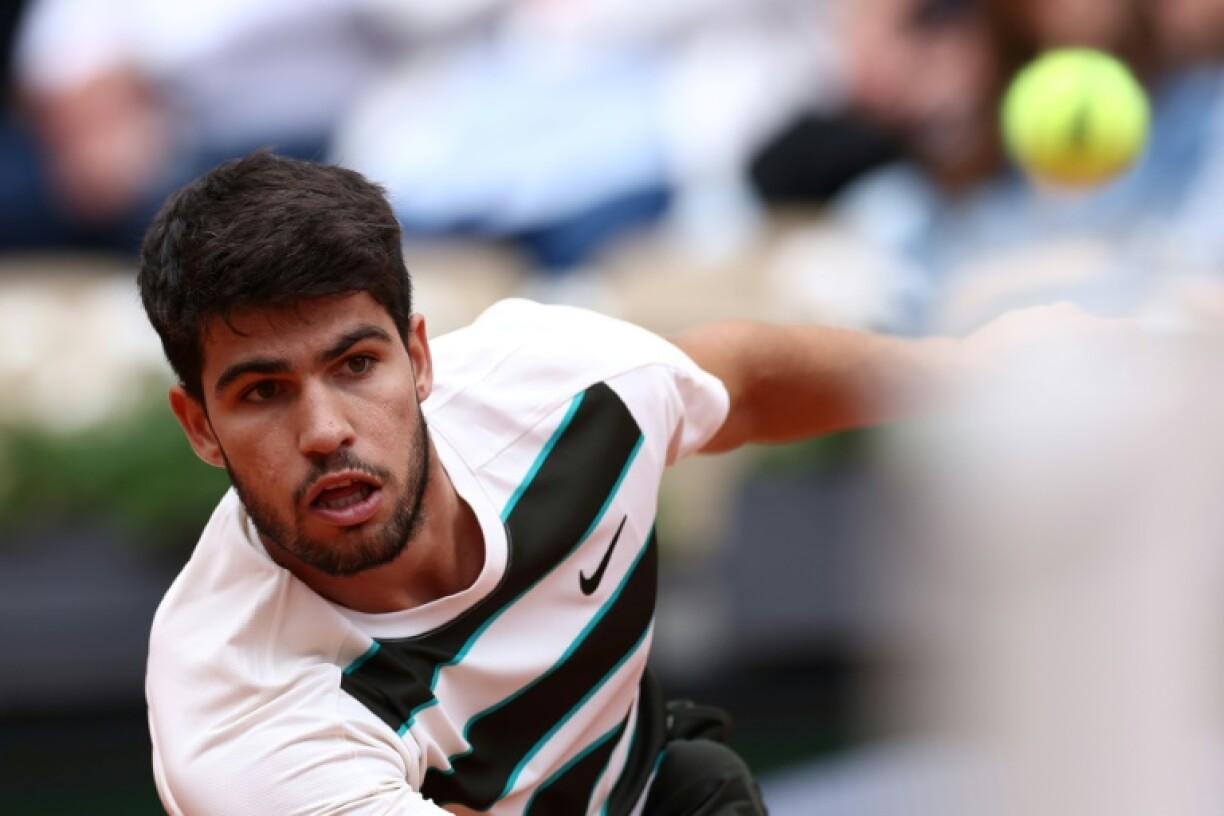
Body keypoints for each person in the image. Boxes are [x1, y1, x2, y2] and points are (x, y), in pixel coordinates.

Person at [138, 150, 1134, 815]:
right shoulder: (236, 713)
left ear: (420, 359)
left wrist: (966, 371)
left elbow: (734, 382)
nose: (324, 429)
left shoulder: (565, 390)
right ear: (201, 428)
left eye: (356, 364)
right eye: (263, 392)